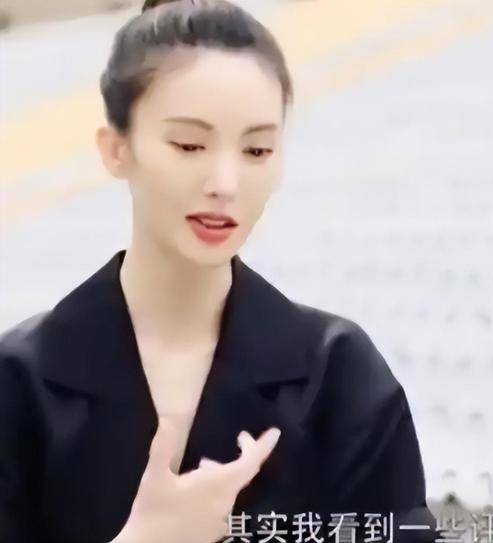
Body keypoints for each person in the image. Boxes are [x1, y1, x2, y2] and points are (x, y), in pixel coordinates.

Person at [0, 1, 439, 541]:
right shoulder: (18, 381)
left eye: (257, 150)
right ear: (116, 149)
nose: (225, 184)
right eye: (189, 145)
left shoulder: (338, 374)